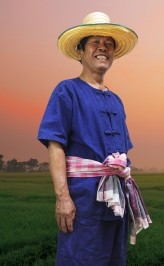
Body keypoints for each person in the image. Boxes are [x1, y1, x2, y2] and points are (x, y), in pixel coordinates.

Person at [38, 12, 151, 266]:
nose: (103, 48)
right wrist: (62, 197)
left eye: (108, 44)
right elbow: (55, 145)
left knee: (114, 260)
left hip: (116, 203)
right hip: (83, 202)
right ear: (80, 51)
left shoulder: (116, 100)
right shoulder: (67, 91)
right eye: (95, 43)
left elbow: (123, 156)